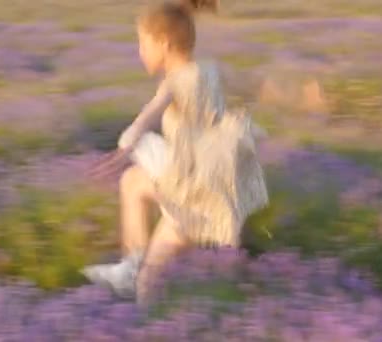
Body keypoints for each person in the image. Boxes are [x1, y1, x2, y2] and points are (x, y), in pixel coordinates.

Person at [82, 0, 268, 307]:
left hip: (194, 206)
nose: (139, 52)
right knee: (133, 182)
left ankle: (149, 316)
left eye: (143, 44)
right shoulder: (210, 69)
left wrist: (125, 145)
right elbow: (254, 86)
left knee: (149, 283)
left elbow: (147, 116)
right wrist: (302, 96)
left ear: (164, 44)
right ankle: (131, 267)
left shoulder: (175, 82)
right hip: (214, 189)